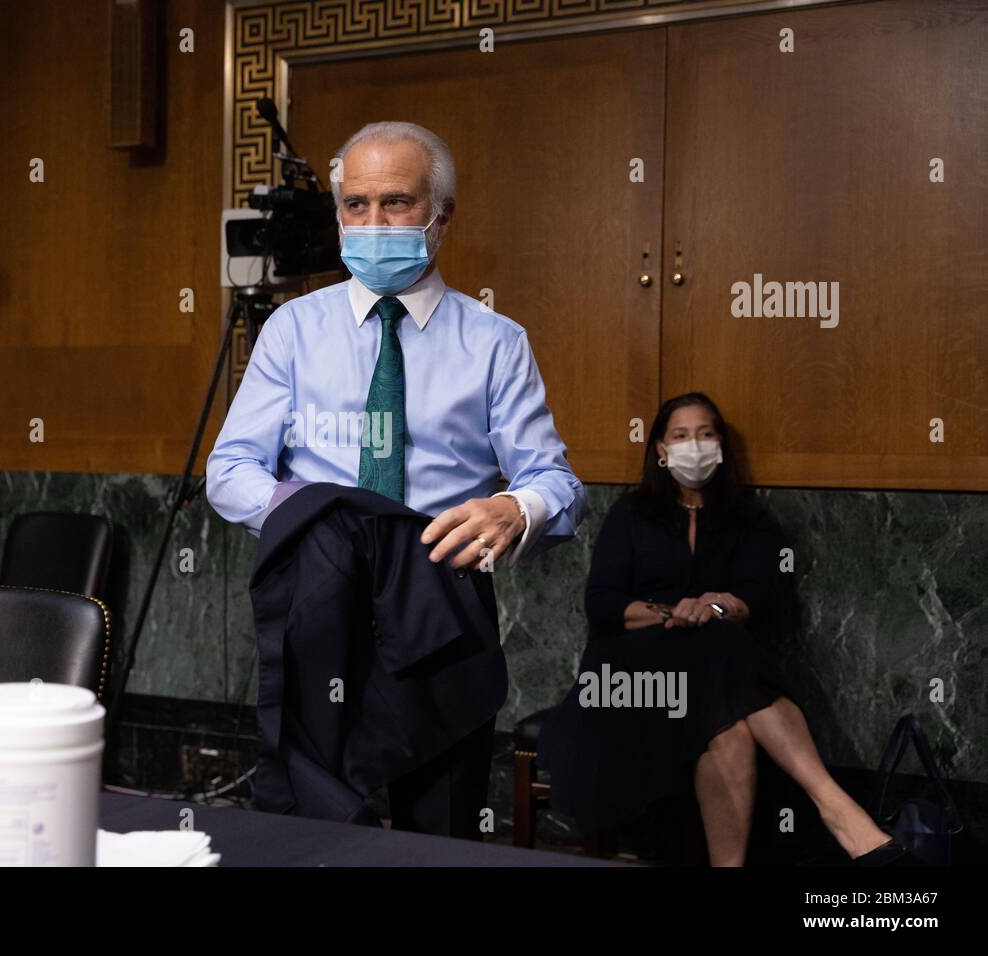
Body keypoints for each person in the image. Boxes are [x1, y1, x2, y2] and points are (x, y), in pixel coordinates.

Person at [206, 121, 585, 838]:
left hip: (438, 606)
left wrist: (517, 506)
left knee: (437, 836)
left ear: (441, 217)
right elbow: (229, 472)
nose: (373, 223)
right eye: (357, 205)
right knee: (305, 832)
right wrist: (322, 516)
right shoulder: (291, 330)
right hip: (317, 603)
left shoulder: (496, 343)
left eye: (397, 203)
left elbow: (557, 483)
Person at [537, 392, 902, 865]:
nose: (695, 445)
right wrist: (674, 612)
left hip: (713, 681)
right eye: (682, 436)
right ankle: (835, 807)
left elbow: (768, 598)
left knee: (726, 714)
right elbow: (602, 605)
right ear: (661, 451)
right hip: (630, 680)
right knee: (719, 651)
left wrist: (726, 606)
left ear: (722, 446)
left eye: (706, 435)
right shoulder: (631, 514)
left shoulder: (748, 518)